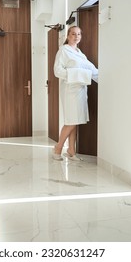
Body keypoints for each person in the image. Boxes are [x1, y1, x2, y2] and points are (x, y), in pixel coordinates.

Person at [52, 26, 98, 161]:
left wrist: (106, 78)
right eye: (73, 34)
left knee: (75, 121)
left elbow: (92, 69)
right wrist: (75, 75)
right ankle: (58, 148)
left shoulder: (80, 53)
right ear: (68, 36)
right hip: (70, 90)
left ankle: (71, 150)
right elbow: (57, 71)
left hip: (81, 90)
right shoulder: (63, 51)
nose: (76, 36)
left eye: (79, 34)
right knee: (71, 121)